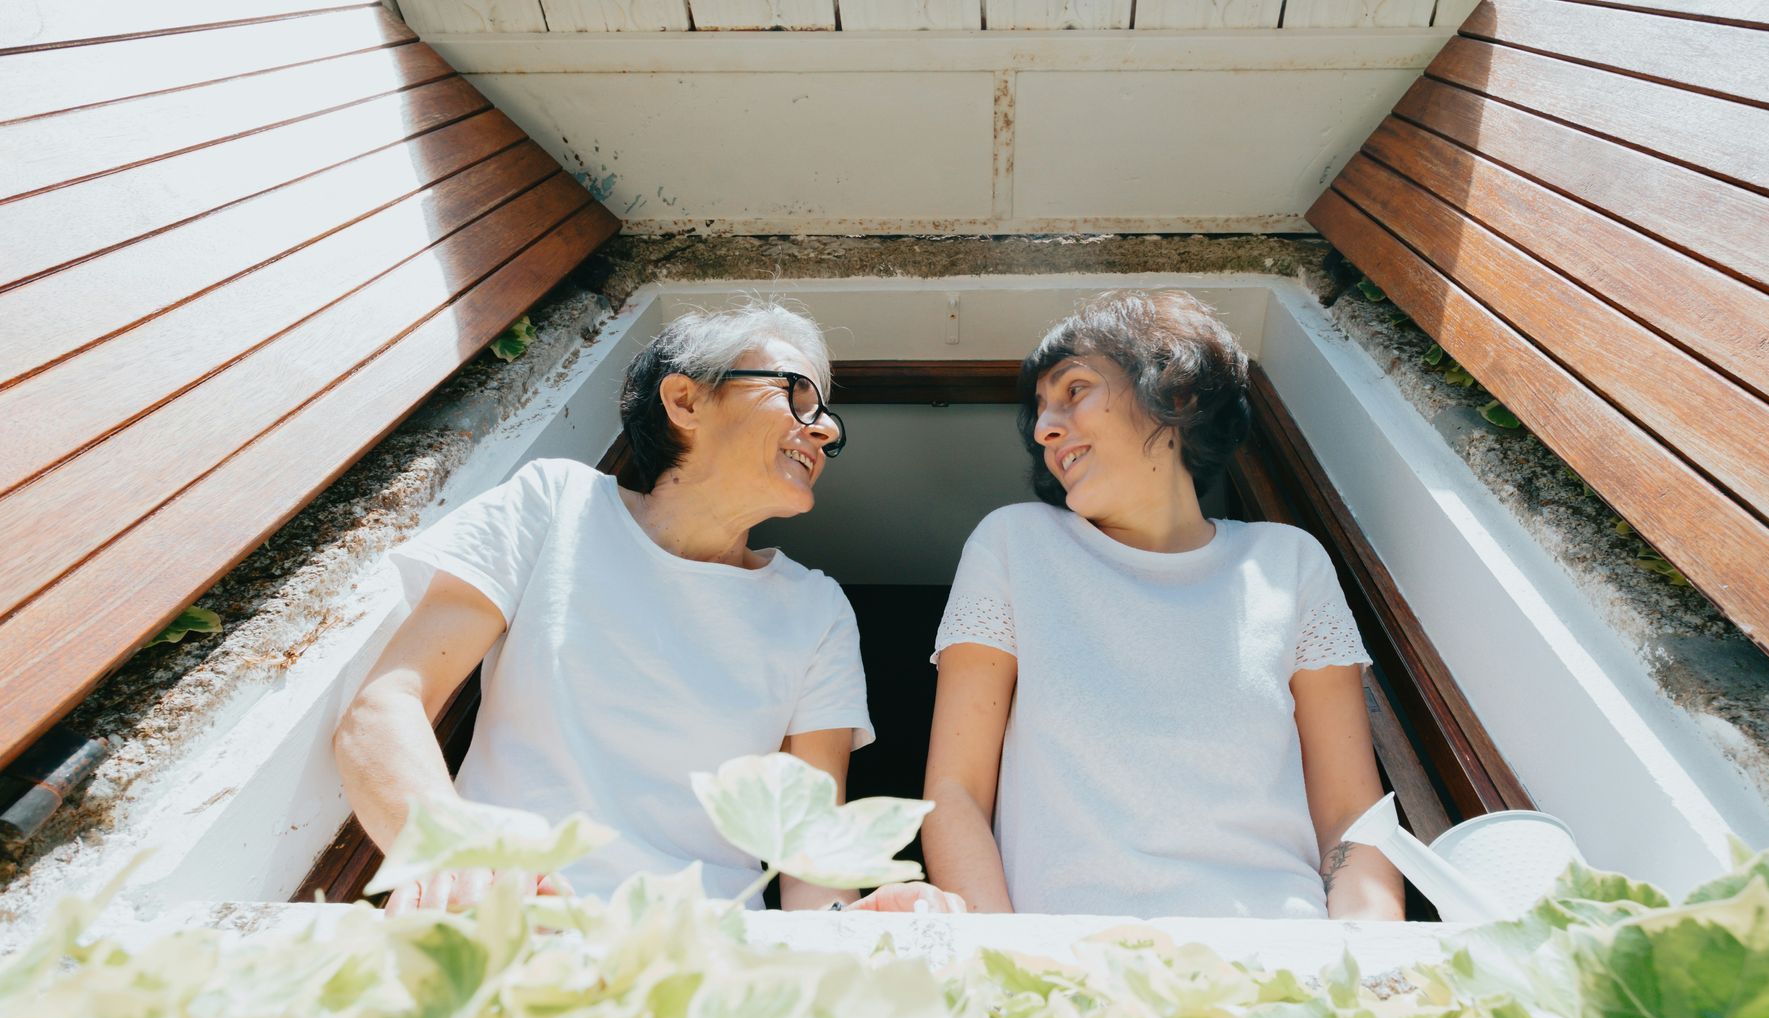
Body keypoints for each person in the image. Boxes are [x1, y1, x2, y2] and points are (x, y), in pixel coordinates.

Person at [335, 299, 965, 914]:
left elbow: (811, 862)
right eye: (795, 392)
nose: (824, 427)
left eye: (826, 414)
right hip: (511, 934)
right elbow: (383, 710)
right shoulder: (555, 503)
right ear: (685, 401)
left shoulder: (816, 609)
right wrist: (453, 861)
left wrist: (853, 929)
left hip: (698, 977)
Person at [919, 290, 1404, 920]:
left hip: (1282, 977)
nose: (1043, 429)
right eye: (1039, 412)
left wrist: (1365, 978)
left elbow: (1350, 817)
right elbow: (955, 794)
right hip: (1071, 981)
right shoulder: (1014, 544)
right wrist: (1002, 964)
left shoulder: (1290, 563)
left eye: (1075, 389)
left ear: (1175, 394)